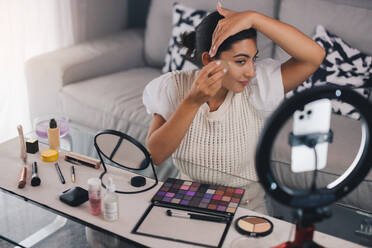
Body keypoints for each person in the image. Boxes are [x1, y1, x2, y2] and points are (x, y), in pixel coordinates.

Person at [143, 3, 325, 214]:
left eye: (253, 59)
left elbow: (314, 56)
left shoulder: (258, 86)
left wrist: (255, 18)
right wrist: (192, 102)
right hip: (187, 201)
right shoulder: (172, 87)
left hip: (244, 208)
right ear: (209, 60)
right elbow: (155, 154)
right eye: (241, 61)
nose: (251, 71)